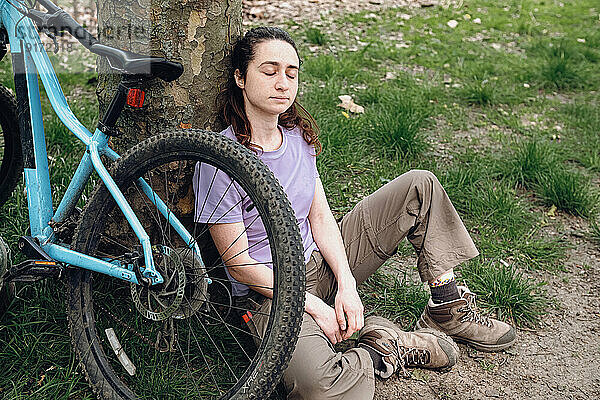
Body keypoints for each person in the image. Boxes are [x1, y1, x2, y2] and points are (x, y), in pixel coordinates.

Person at [193, 26, 516, 400]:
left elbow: (321, 219)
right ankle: (384, 346)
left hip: (319, 263)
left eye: (291, 73)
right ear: (240, 77)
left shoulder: (298, 138)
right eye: (269, 71)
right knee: (320, 388)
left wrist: (346, 284)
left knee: (419, 185)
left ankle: (446, 308)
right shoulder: (221, 158)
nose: (283, 83)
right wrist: (311, 305)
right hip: (270, 293)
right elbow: (240, 266)